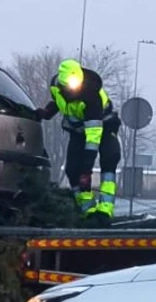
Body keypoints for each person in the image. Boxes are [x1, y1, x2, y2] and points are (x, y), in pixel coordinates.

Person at [36, 59, 122, 226]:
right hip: (77, 131)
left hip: (102, 126)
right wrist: (46, 113)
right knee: (72, 170)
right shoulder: (55, 87)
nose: (73, 89)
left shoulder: (91, 95)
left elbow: (93, 137)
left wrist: (87, 170)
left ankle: (105, 210)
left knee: (109, 160)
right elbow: (59, 102)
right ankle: (87, 210)